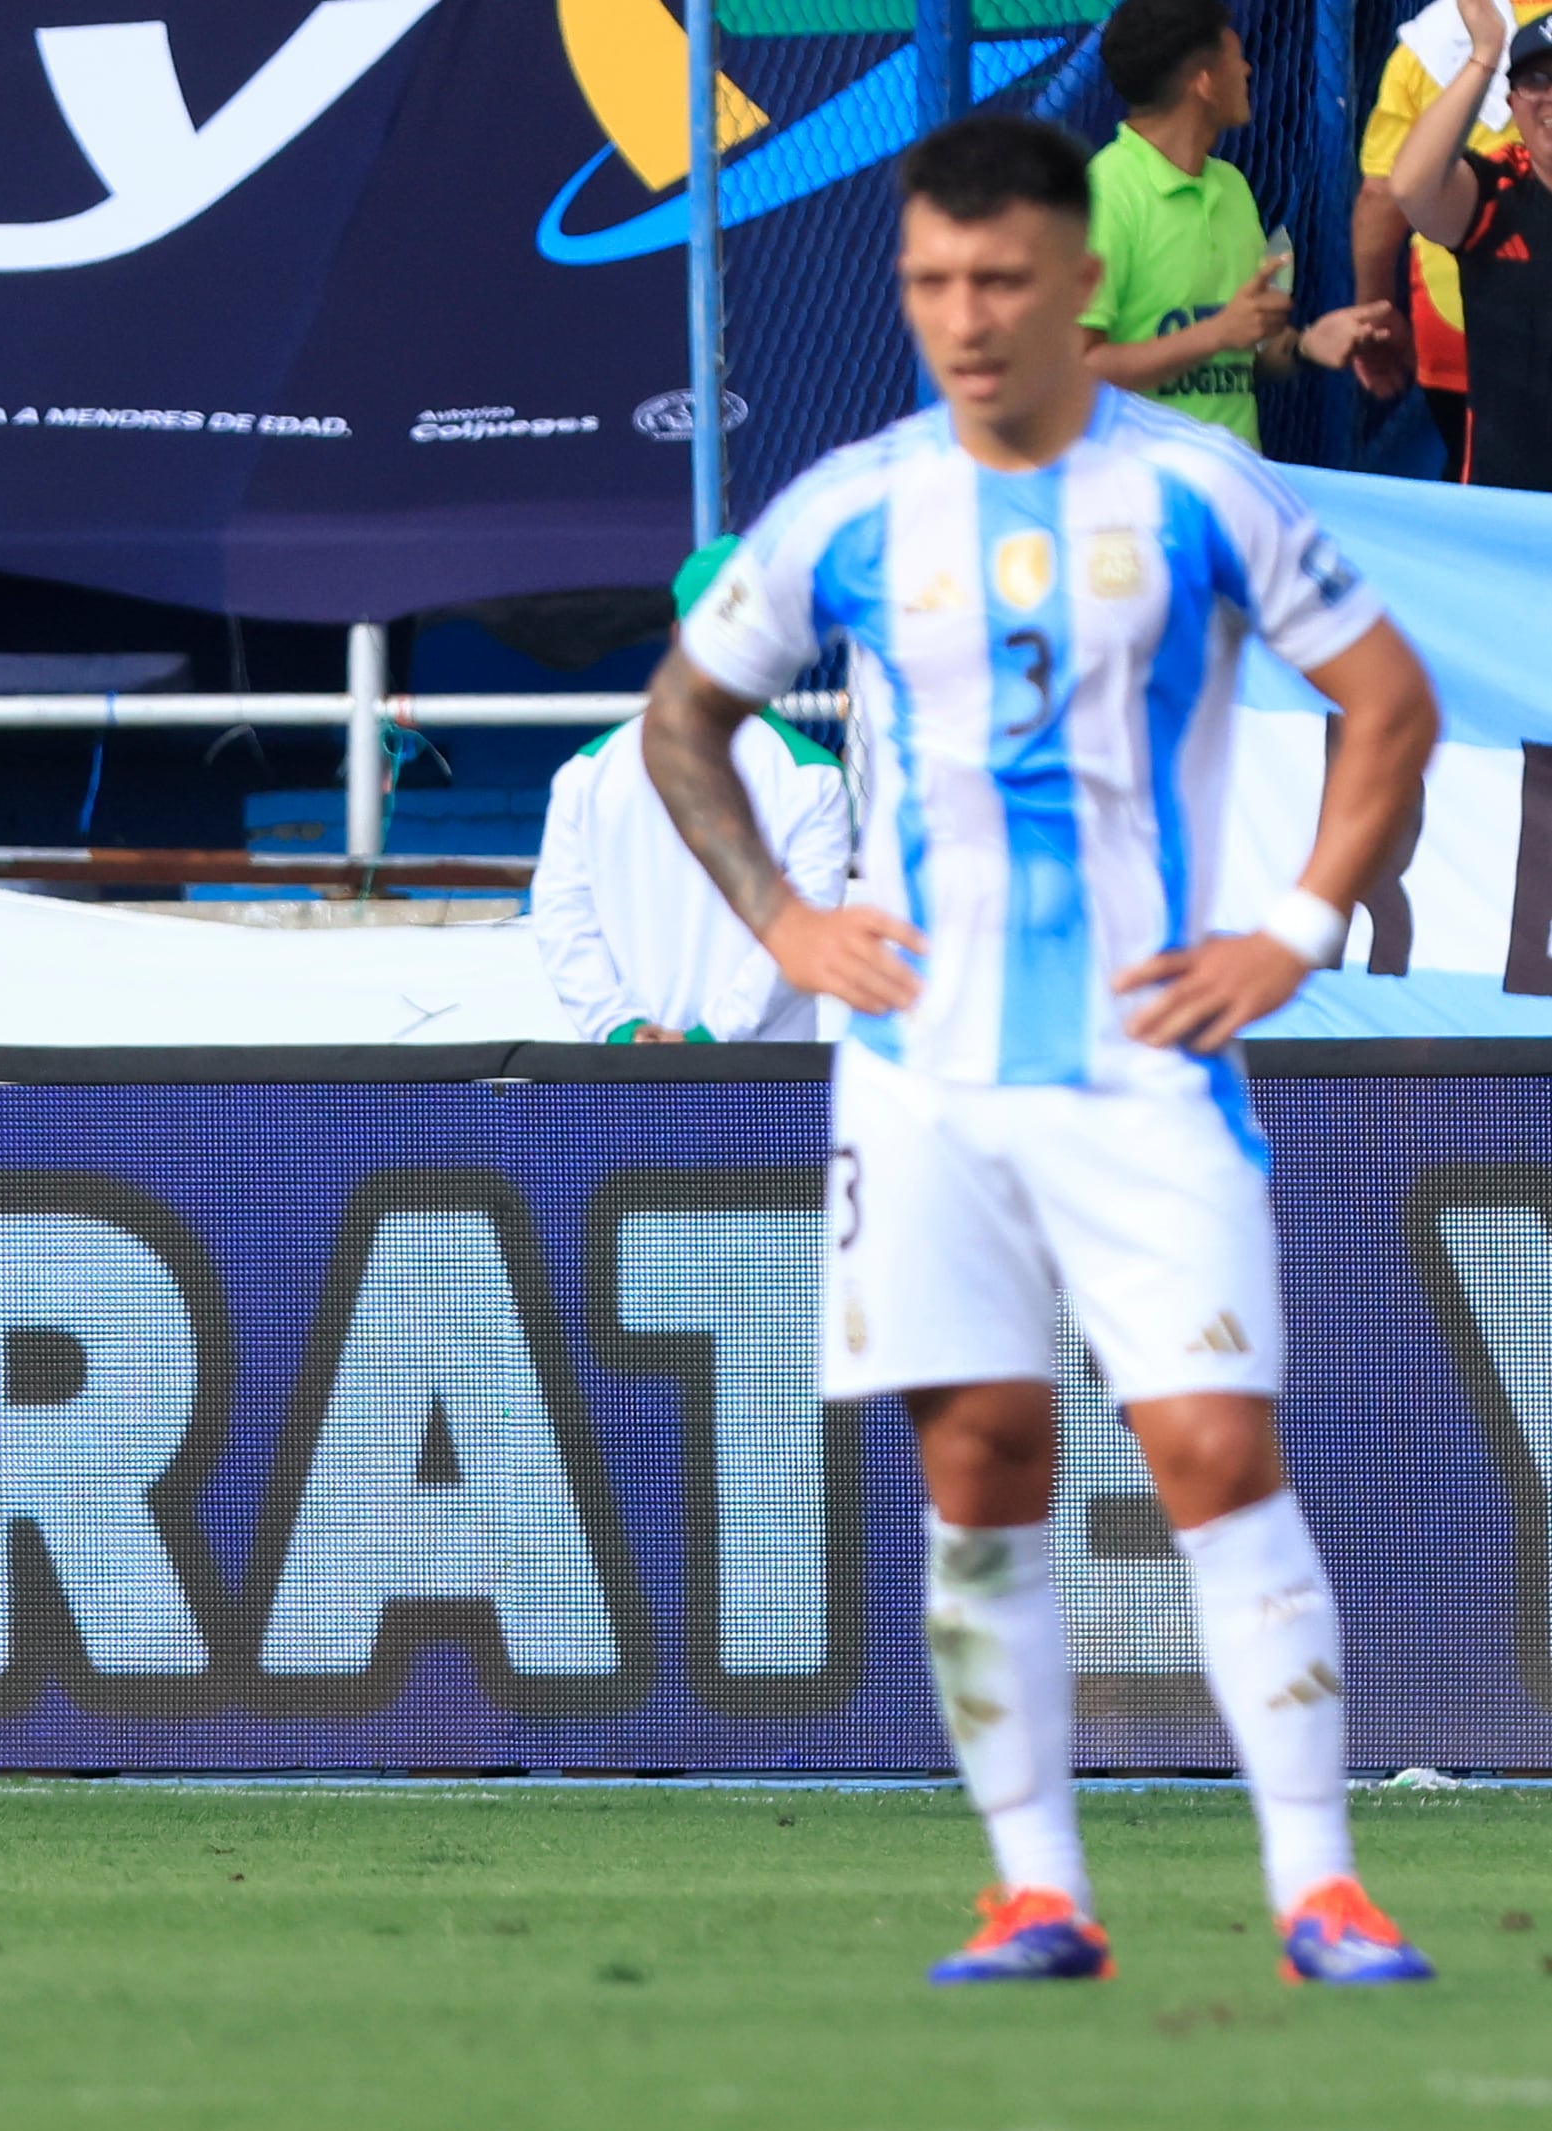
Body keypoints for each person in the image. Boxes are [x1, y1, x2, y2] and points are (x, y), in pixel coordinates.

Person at [641, 116, 1443, 1983]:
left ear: (1082, 280)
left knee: (1211, 1453)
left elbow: (1386, 703)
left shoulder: (1198, 498)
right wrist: (779, 922)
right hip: (920, 1078)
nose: (966, 319)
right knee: (983, 1463)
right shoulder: (850, 505)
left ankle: (1320, 1887)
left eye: (1000, 279)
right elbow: (686, 723)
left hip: (1147, 1063)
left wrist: (1301, 929)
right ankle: (1037, 1891)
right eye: (931, 283)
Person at [531, 538, 850, 1045]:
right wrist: (707, 1040)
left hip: (629, 1077)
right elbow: (802, 931)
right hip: (767, 1086)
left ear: (678, 633)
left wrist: (620, 1031)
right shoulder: (812, 776)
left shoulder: (588, 772)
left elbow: (561, 919)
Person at [1079, 0, 1399, 444]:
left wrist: (1305, 344)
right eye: (1235, 56)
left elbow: (1243, 350)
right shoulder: (1103, 195)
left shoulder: (1232, 188)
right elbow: (1075, 372)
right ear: (1205, 82)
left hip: (1235, 488)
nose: (1247, 70)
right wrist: (1215, 334)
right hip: (1140, 496)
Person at [1358, 0, 1552, 476]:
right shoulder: (1497, 197)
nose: (1550, 97)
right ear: (1511, 104)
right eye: (1535, 81)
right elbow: (1403, 188)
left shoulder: (1428, 38)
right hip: (1510, 504)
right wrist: (1484, 55)